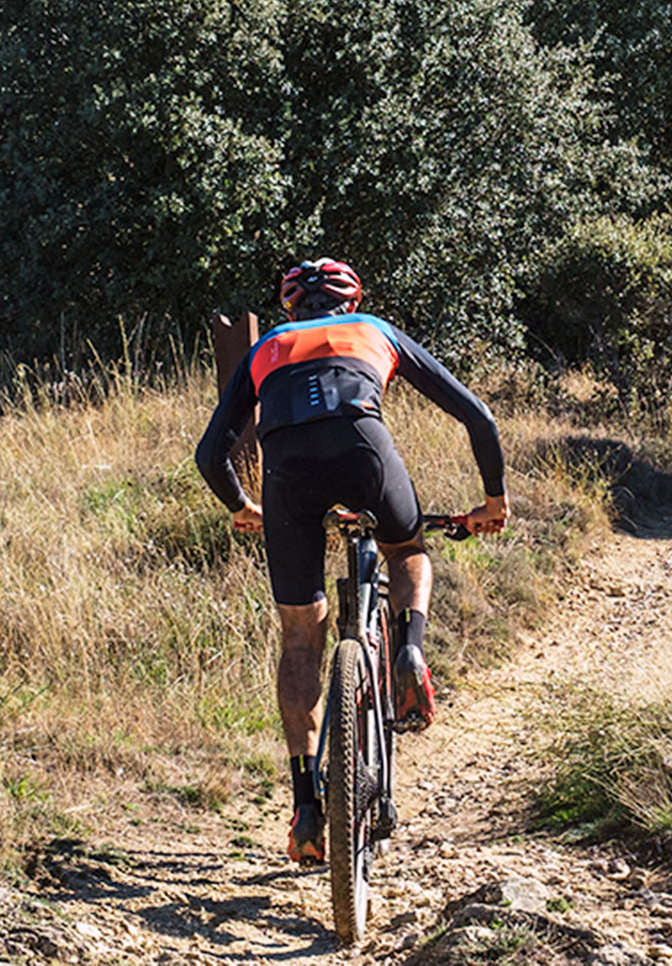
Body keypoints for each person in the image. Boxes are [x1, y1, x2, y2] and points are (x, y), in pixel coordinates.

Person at [195, 257, 508, 865]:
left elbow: (211, 454)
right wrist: (493, 499)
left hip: (288, 474)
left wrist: (242, 506)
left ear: (291, 307)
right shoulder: (373, 330)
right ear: (352, 300)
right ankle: (410, 652)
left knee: (299, 635)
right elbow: (478, 415)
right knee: (407, 550)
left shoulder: (266, 348)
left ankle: (306, 809)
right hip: (364, 451)